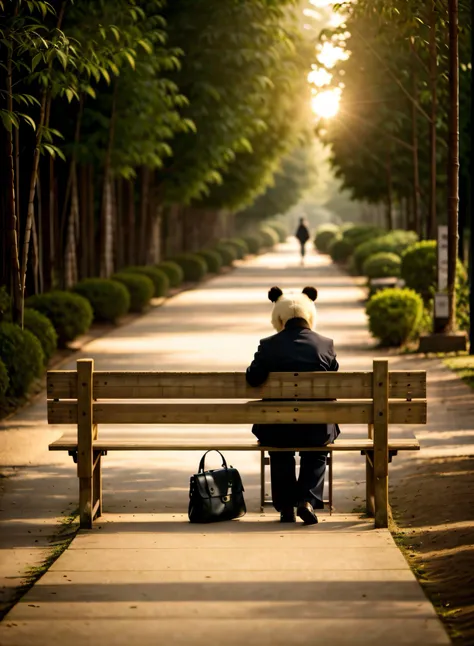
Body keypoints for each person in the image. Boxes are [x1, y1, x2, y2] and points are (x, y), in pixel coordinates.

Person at [246, 285, 340, 525]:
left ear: (279, 316)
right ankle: (306, 500)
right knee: (318, 451)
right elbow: (336, 382)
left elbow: (253, 378)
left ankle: (286, 506)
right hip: (316, 428)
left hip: (277, 428)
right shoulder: (325, 344)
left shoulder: (268, 345)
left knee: (280, 450)